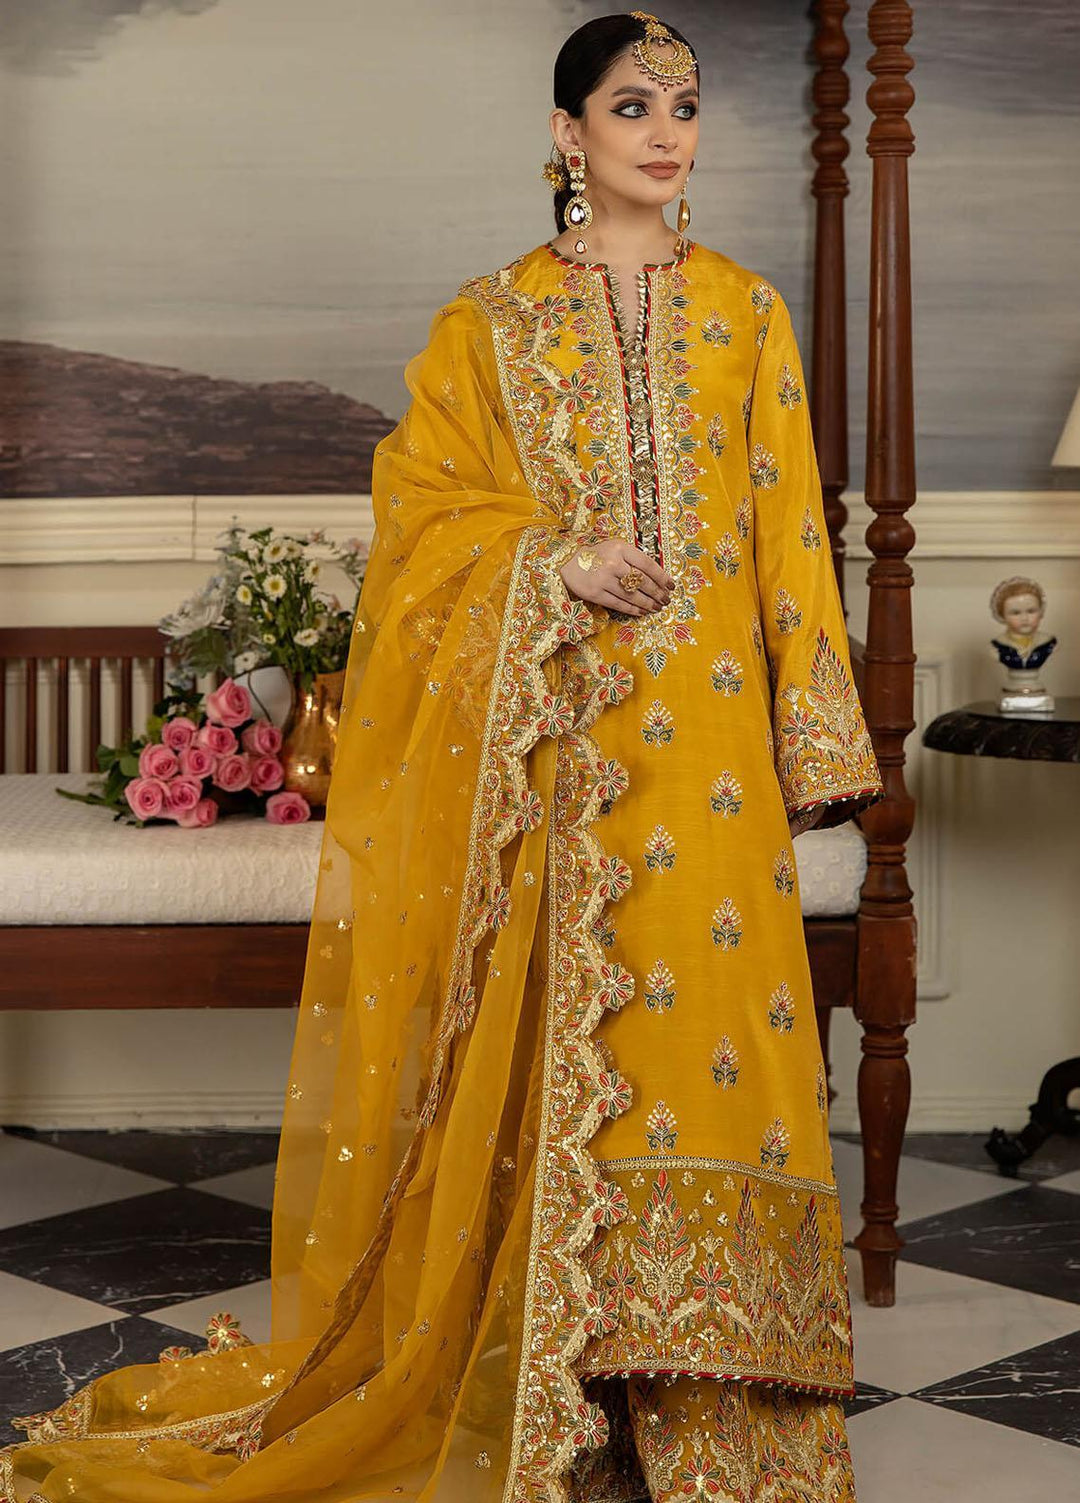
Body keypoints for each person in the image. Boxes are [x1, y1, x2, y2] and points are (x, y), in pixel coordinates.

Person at [0, 12, 883, 1502]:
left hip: (718, 741)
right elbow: (420, 520)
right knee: (577, 1060)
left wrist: (818, 744)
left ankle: (710, 1402)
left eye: (683, 107)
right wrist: (555, 558)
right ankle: (563, 1395)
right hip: (564, 743)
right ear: (567, 134)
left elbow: (791, 527)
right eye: (631, 107)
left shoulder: (749, 311)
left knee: (713, 1044)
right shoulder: (494, 321)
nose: (666, 134)